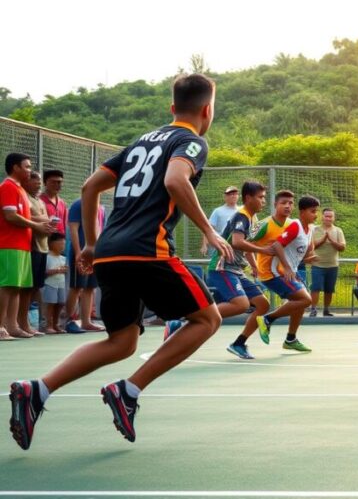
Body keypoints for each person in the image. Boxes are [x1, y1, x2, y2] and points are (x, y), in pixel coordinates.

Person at [9, 73, 232, 449]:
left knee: (123, 341)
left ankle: (38, 389)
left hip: (112, 251)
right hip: (148, 249)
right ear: (208, 110)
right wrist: (210, 231)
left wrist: (93, 245)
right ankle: (129, 390)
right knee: (208, 319)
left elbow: (89, 186)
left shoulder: (141, 142)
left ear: (172, 107)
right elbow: (176, 182)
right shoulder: (190, 141)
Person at [203, 180, 274, 360]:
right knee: (241, 304)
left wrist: (254, 264)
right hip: (222, 267)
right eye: (260, 197)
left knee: (263, 304)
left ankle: (239, 343)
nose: (263, 201)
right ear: (248, 198)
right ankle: (188, 322)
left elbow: (248, 244)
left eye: (264, 197)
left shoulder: (254, 218)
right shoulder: (240, 215)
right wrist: (263, 251)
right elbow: (237, 241)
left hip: (236, 270)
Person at [1, 153, 56, 340]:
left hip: (22, 245)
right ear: (15, 167)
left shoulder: (20, 190)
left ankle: (13, 326)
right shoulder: (8, 187)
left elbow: (22, 216)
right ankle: (0, 326)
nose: (29, 170)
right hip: (8, 244)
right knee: (7, 286)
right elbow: (10, 216)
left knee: (17, 287)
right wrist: (36, 225)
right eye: (26, 166)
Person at [253, 191, 316, 351]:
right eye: (313, 211)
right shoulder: (294, 225)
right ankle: (268, 319)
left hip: (288, 271)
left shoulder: (308, 230)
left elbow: (292, 253)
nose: (316, 215)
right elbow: (276, 245)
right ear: (302, 212)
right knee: (306, 300)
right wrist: (287, 267)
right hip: (275, 272)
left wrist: (305, 260)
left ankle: (290, 338)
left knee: (300, 304)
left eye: (290, 203)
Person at [65, 197, 106, 333]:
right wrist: (78, 253)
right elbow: (73, 229)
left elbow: (100, 229)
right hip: (81, 252)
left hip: (95, 253)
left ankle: (86, 322)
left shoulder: (101, 207)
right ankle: (68, 321)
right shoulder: (78, 204)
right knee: (77, 287)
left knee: (90, 287)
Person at [23, 171, 50, 335]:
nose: (38, 184)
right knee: (24, 287)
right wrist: (45, 220)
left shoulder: (40, 200)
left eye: (40, 182)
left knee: (35, 287)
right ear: (27, 182)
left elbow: (44, 218)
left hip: (43, 246)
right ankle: (20, 322)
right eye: (35, 181)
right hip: (30, 246)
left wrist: (46, 221)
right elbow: (26, 216)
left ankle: (25, 322)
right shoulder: (24, 197)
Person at [309, 207, 346, 317]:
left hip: (332, 265)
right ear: (322, 217)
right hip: (317, 265)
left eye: (331, 216)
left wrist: (331, 240)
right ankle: (313, 309)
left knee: (329, 289)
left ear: (334, 218)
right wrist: (324, 239)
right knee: (315, 288)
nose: (328, 218)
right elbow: (313, 245)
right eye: (326, 216)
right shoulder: (315, 229)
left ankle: (326, 310)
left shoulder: (338, 230)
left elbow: (342, 247)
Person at [200, 186, 239, 256]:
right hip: (220, 245)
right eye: (230, 194)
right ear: (225, 197)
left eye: (235, 194)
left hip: (237, 246)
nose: (233, 196)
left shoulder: (242, 211)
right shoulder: (218, 211)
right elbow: (208, 228)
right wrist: (204, 245)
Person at [42, 233, 68, 335]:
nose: (62, 246)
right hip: (50, 284)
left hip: (61, 284)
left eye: (64, 244)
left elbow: (65, 270)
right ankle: (48, 325)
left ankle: (56, 324)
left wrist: (64, 270)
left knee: (60, 303)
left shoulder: (63, 258)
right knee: (50, 304)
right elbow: (45, 271)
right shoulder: (47, 257)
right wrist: (56, 270)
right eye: (60, 243)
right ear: (51, 244)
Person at [40, 169, 67, 235]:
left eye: (59, 182)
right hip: (44, 239)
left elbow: (65, 225)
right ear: (45, 183)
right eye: (53, 182)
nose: (56, 185)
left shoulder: (62, 203)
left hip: (60, 241)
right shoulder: (39, 201)